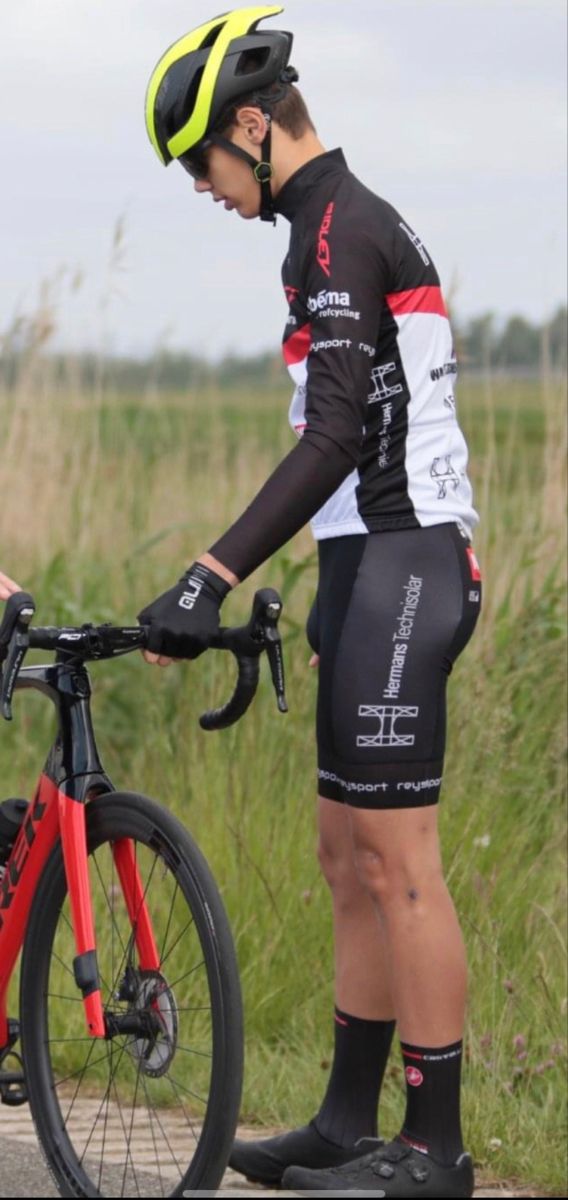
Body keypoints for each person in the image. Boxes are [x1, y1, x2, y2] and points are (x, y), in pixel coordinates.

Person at [141, 7, 482, 1196]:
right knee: (345, 859)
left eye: (201, 163)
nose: (200, 188)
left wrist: (212, 571)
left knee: (400, 866)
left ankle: (433, 1148)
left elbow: (336, 435)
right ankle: (346, 1123)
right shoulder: (319, 232)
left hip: (404, 558)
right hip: (361, 565)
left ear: (250, 125)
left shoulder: (341, 231)